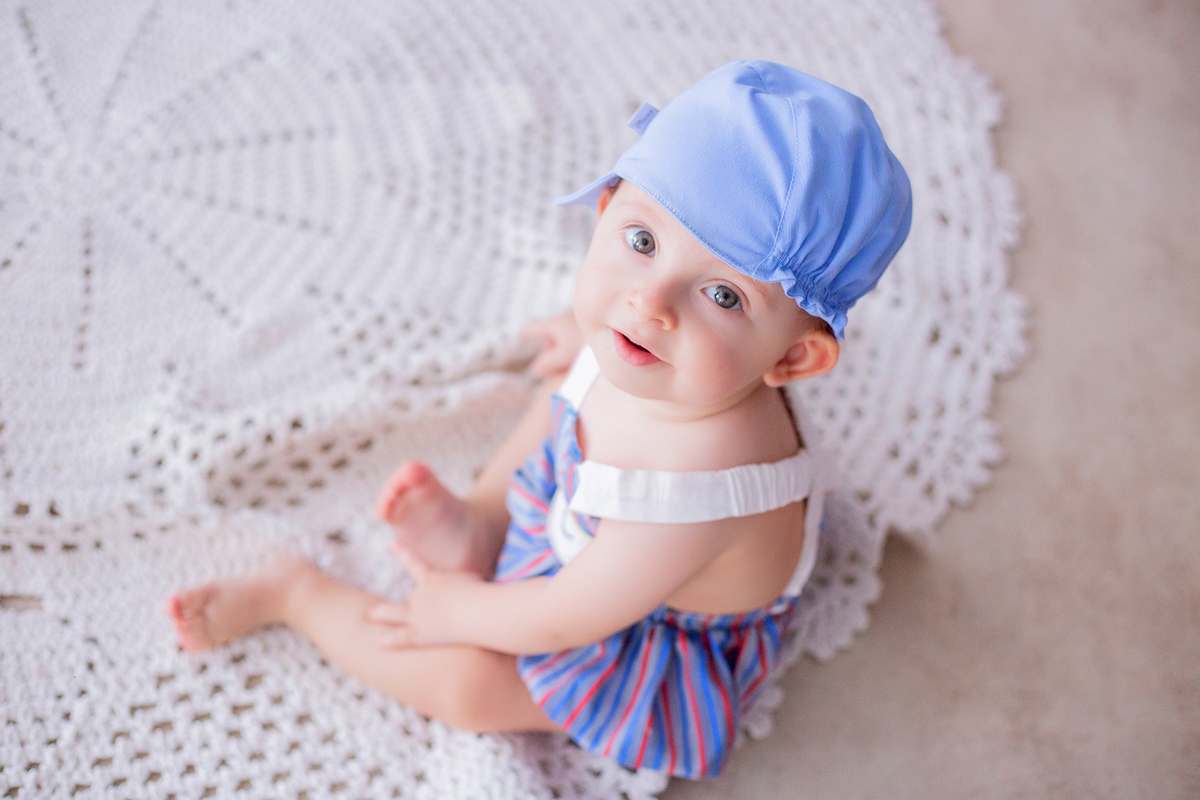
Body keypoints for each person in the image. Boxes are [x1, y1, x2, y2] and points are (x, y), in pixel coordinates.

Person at [165, 60, 912, 779]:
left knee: (469, 687)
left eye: (723, 297)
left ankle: (298, 595)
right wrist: (575, 328)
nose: (647, 305)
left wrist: (462, 610)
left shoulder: (697, 488)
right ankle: (485, 516)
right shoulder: (664, 349)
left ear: (793, 361)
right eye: (643, 241)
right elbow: (605, 359)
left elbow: (563, 618)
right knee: (571, 383)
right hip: (594, 522)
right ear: (608, 207)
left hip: (641, 620)